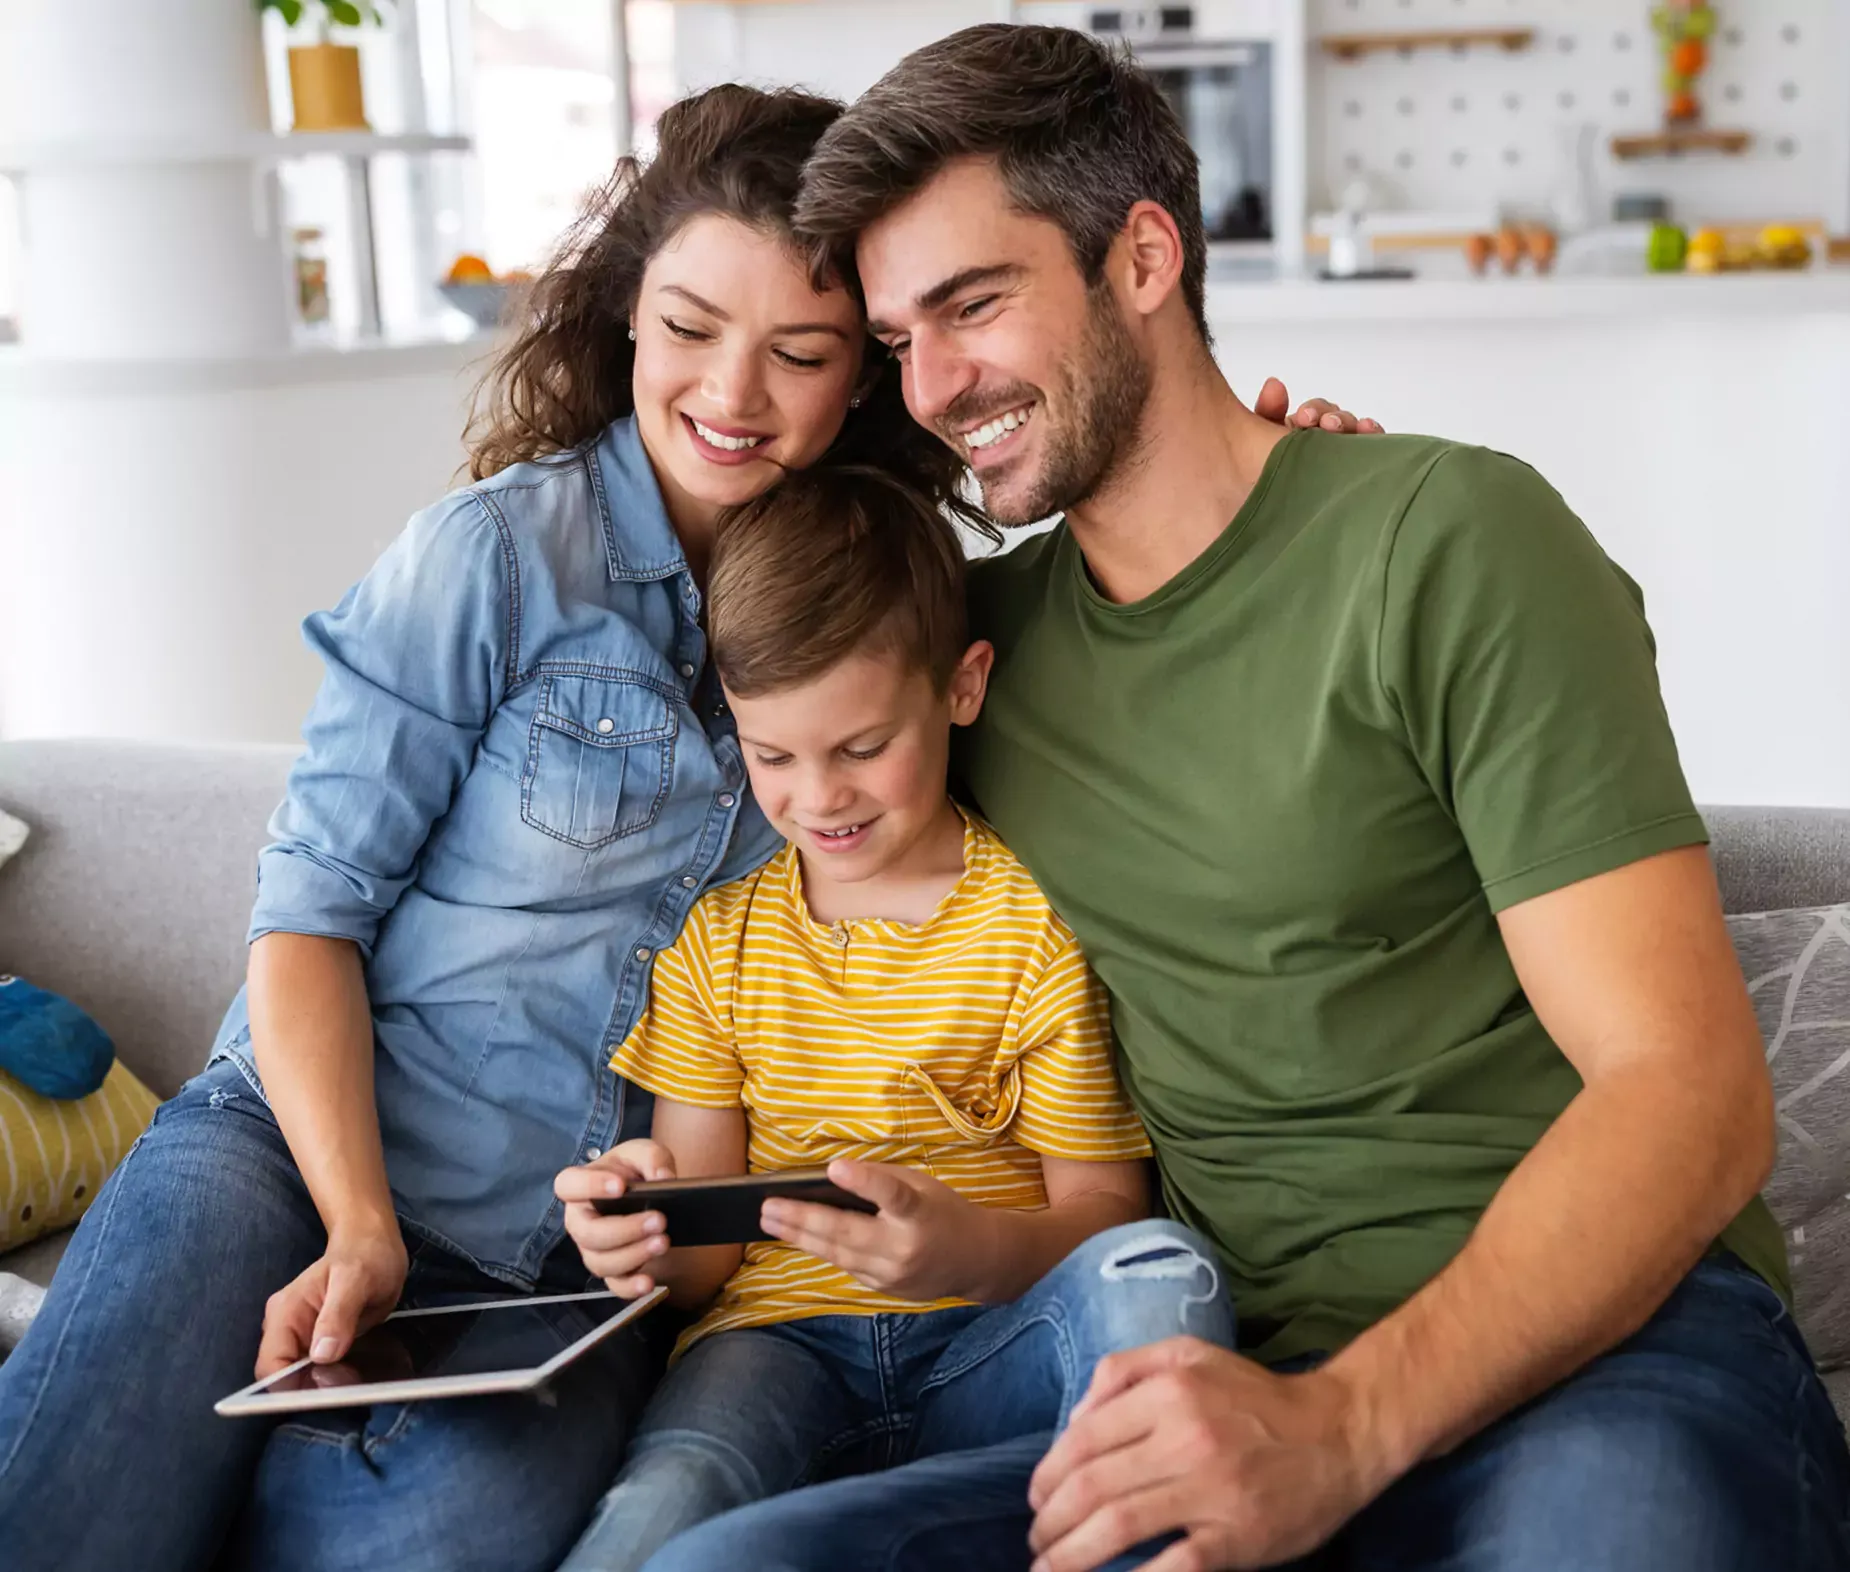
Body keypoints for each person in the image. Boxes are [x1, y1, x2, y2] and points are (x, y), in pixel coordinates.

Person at [0, 76, 1358, 1572]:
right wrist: (359, 1225)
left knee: (433, 1536)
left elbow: (1135, 604)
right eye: (691, 328)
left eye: (801, 352)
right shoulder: (497, 561)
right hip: (297, 1158)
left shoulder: (898, 614)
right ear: (626, 315)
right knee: (67, 1509)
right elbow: (307, 918)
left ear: (868, 379)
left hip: (589, 1259)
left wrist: (1283, 485)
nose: (733, 393)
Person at [636, 24, 1850, 1572]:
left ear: (1143, 255)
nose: (932, 388)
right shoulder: (969, 665)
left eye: (973, 305)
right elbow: (768, 708)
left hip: (1613, 1350)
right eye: (893, 343)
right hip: (1228, 1383)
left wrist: (1344, 1425)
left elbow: (1686, 1093)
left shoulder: (1449, 540)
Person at [550, 464, 1233, 1572]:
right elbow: (703, 1254)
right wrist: (639, 1232)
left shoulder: (1032, 926)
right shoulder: (716, 942)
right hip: (772, 1355)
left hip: (987, 1337)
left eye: (861, 748)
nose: (818, 797)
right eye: (773, 756)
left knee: (1160, 1271)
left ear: (961, 688)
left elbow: (1103, 1213)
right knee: (661, 1509)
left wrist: (966, 1248)